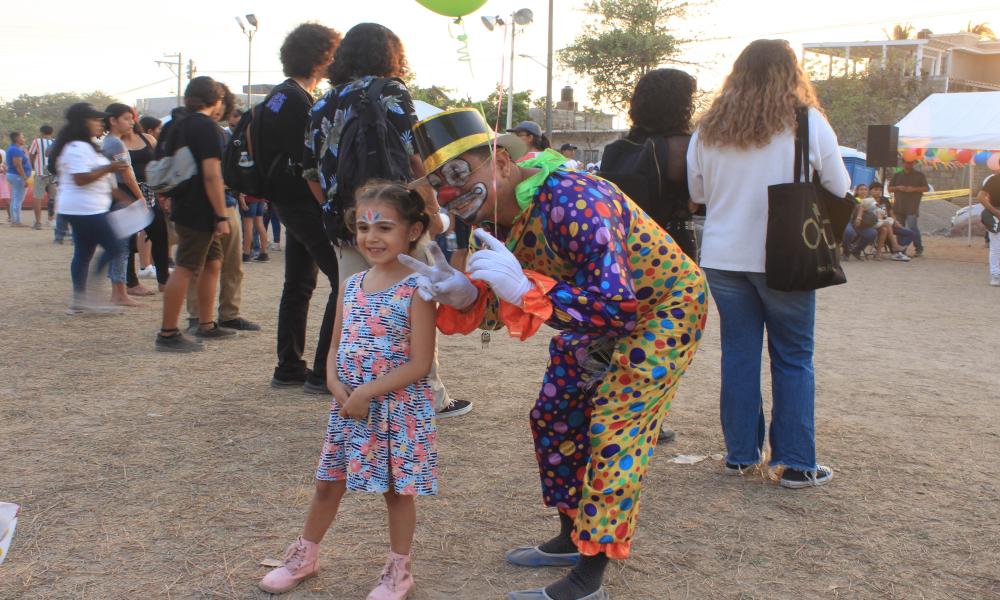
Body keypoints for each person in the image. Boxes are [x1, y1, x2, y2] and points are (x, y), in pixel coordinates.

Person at [402, 108, 708, 600]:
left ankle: (589, 579)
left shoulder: (575, 199)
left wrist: (523, 286)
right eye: (437, 183)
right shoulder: (491, 215)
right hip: (588, 312)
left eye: (458, 174)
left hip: (659, 311)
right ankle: (571, 536)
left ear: (500, 161)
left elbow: (616, 308)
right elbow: (512, 300)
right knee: (555, 414)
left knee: (615, 427)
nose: (449, 194)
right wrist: (465, 294)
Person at [259, 182, 437, 598]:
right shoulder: (353, 284)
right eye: (362, 227)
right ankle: (305, 555)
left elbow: (420, 363)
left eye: (385, 227)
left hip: (396, 410)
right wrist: (337, 385)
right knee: (328, 482)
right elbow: (336, 344)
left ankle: (399, 571)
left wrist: (366, 393)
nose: (371, 238)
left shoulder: (419, 287)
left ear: (412, 231)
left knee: (396, 491)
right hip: (348, 406)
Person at [688, 39, 849, 489]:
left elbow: (697, 194)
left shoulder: (709, 127)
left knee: (738, 355)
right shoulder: (806, 121)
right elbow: (839, 184)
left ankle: (740, 455)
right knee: (794, 357)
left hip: (722, 255)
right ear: (791, 73)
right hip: (785, 255)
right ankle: (797, 463)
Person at [303, 22, 469, 418]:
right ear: (390, 54)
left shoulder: (321, 103)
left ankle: (355, 389)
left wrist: (347, 218)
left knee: (356, 313)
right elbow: (416, 158)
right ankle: (429, 397)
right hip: (396, 224)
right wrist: (430, 214)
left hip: (350, 227)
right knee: (415, 307)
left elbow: (310, 173)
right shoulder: (391, 91)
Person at [256, 22, 342, 391]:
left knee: (299, 283)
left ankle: (288, 366)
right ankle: (323, 373)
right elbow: (312, 160)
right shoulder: (298, 101)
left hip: (285, 202)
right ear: (321, 57)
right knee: (342, 279)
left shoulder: (277, 97)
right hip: (304, 202)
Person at [154, 76, 236, 352]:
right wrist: (221, 215)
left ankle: (206, 323)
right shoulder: (206, 128)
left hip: (183, 203)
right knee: (187, 267)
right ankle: (167, 333)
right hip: (200, 208)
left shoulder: (175, 125)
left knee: (213, 262)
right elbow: (212, 175)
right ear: (216, 101)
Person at [183, 84, 260, 334]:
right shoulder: (199, 129)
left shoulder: (224, 134)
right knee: (198, 264)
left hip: (227, 202)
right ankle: (197, 315)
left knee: (232, 263)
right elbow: (210, 175)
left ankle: (229, 313)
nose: (221, 109)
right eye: (220, 103)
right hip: (206, 206)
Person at [50, 103, 130, 313]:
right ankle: (90, 297)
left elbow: (99, 180)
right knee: (115, 246)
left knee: (84, 252)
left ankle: (80, 300)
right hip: (85, 209)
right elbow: (81, 179)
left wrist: (122, 197)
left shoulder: (85, 146)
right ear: (82, 122)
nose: (99, 123)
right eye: (95, 119)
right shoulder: (77, 148)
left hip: (86, 207)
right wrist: (111, 167)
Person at [101, 104, 149, 306]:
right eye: (127, 118)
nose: (131, 122)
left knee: (122, 245)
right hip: (122, 194)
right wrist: (141, 198)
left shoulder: (111, 142)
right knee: (122, 246)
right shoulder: (115, 144)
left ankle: (119, 289)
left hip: (116, 194)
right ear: (113, 120)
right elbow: (126, 174)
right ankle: (119, 292)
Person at [888, 160, 929, 257]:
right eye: (906, 163)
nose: (908, 165)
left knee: (912, 227)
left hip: (912, 207)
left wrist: (913, 189)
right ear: (903, 163)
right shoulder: (897, 175)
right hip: (899, 206)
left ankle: (918, 248)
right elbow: (889, 189)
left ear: (914, 163)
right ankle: (901, 249)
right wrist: (898, 188)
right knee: (900, 228)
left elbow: (926, 188)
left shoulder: (919, 175)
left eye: (910, 163)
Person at [28, 125, 57, 229]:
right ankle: (51, 220)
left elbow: (31, 154)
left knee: (37, 197)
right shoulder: (55, 142)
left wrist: (33, 166)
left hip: (40, 172)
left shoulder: (37, 141)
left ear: (41, 132)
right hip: (53, 173)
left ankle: (38, 222)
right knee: (53, 197)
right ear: (51, 132)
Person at [978, 169, 1000, 286]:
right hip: (996, 215)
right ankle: (995, 274)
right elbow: (981, 197)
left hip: (995, 214)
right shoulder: (993, 179)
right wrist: (995, 212)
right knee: (996, 246)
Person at [5, 131, 32, 227]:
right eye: (22, 137)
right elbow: (18, 165)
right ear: (17, 139)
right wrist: (24, 178)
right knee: (18, 199)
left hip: (14, 175)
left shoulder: (15, 149)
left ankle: (14, 220)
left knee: (15, 198)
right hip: (17, 176)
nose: (24, 139)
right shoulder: (15, 150)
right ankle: (16, 221)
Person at [241, 194, 269, 262]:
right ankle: (264, 253)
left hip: (249, 199)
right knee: (260, 225)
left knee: (248, 227)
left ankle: (246, 254)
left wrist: (242, 200)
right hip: (260, 199)